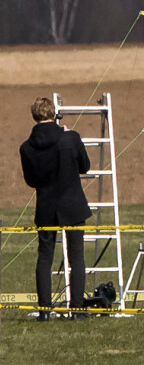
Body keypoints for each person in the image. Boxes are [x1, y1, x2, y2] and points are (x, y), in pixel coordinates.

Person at [19, 97, 92, 321]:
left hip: (46, 207)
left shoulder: (26, 147)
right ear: (53, 115)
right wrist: (69, 137)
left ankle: (44, 311)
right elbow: (85, 167)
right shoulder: (70, 138)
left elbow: (31, 181)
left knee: (44, 258)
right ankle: (77, 310)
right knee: (77, 258)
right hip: (72, 205)